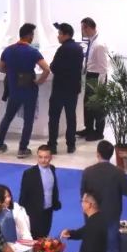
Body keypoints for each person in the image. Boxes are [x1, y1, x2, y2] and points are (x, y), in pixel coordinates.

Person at [80, 140, 127, 252]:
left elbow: (83, 194)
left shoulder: (88, 171)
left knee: (92, 245)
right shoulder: (118, 172)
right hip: (112, 216)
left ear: (97, 154)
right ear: (112, 154)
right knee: (112, 248)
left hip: (92, 215)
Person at [0, 23, 51, 158]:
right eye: (32, 34)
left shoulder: (8, 50)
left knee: (7, 117)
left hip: (14, 90)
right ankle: (22, 149)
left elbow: (1, 68)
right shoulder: (33, 52)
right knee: (28, 120)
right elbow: (46, 69)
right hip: (29, 90)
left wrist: (11, 73)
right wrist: (39, 81)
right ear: (29, 35)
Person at [48, 22, 83, 154]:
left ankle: (52, 145)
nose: (58, 36)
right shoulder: (79, 49)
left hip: (59, 89)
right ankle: (71, 144)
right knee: (71, 117)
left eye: (59, 34)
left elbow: (54, 67)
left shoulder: (62, 49)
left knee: (54, 117)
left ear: (65, 35)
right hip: (73, 88)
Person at [19, 145, 62, 239]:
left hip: (48, 211)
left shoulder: (52, 169)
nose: (43, 160)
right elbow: (23, 195)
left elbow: (53, 188)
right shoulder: (29, 173)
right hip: (34, 213)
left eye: (46, 157)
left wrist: (55, 202)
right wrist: (21, 213)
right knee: (34, 238)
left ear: (51, 157)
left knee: (45, 235)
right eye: (40, 157)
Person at [80, 17, 109, 142]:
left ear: (89, 28)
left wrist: (100, 86)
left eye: (83, 28)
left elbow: (103, 67)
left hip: (97, 77)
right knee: (88, 104)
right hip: (90, 75)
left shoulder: (99, 44)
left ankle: (99, 132)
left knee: (97, 106)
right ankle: (89, 128)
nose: (82, 31)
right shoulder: (92, 41)